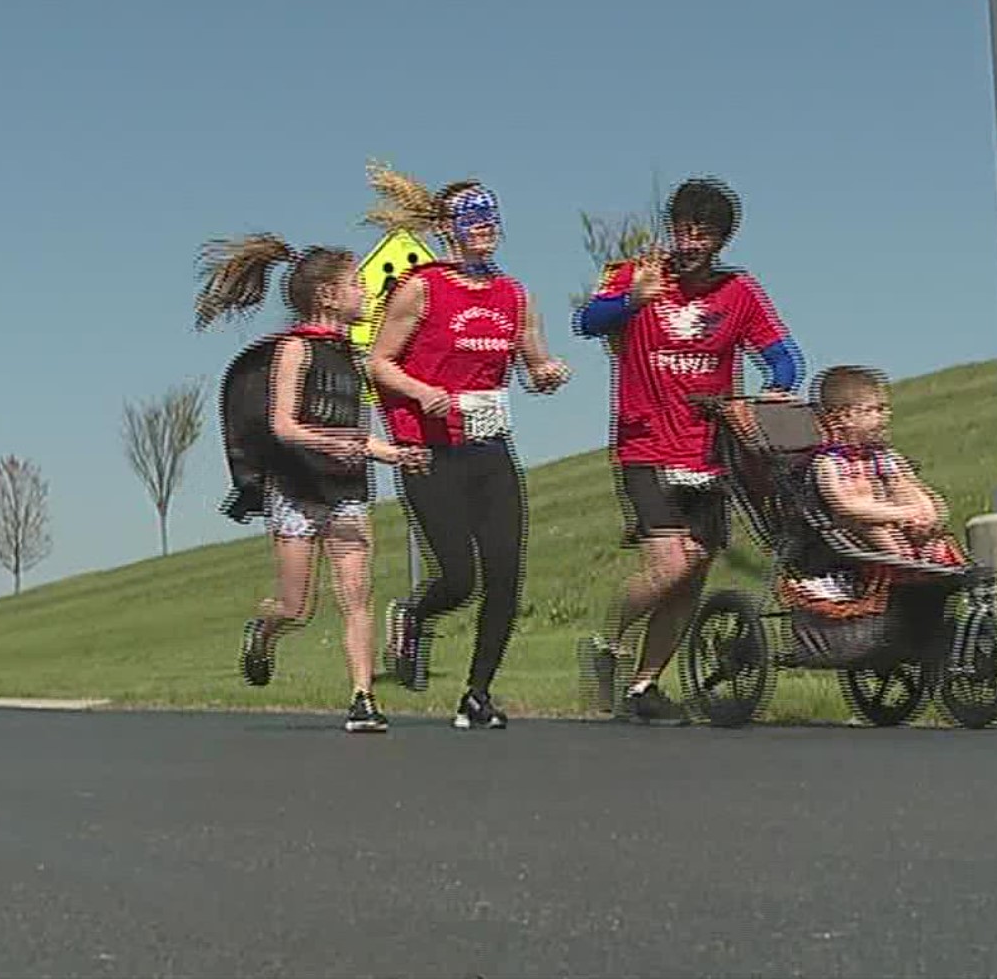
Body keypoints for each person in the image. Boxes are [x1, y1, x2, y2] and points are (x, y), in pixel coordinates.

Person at [573, 177, 804, 721]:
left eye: (704, 233)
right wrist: (631, 302)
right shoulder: (637, 272)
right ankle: (608, 641)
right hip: (644, 444)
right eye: (683, 228)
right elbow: (585, 321)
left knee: (693, 573)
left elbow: (785, 354)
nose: (691, 241)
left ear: (722, 240)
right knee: (669, 565)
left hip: (707, 451)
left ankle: (643, 686)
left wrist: (775, 387)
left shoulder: (740, 291)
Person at [363, 162, 571, 730]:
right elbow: (378, 362)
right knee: (459, 576)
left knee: (505, 572)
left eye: (490, 215)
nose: (484, 225)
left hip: (489, 447)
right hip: (428, 450)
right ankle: (412, 614)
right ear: (446, 227)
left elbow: (533, 363)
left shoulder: (514, 295)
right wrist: (422, 390)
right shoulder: (422, 287)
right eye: (471, 216)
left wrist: (549, 372)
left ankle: (477, 694)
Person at [198, 232, 431, 734]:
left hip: (346, 490)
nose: (366, 293)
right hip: (297, 490)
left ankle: (363, 698)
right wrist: (331, 446)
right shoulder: (295, 350)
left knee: (357, 596)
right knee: (297, 606)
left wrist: (395, 454)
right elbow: (283, 425)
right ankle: (264, 630)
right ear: (327, 295)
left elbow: (359, 434)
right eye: (356, 285)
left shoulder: (353, 355)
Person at [810, 364, 966, 570]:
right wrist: (901, 514)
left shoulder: (882, 456)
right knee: (876, 528)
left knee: (927, 522)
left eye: (884, 409)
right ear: (844, 417)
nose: (883, 417)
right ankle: (906, 566)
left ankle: (934, 559)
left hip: (896, 516)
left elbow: (904, 485)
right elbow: (847, 506)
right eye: (873, 410)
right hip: (859, 527)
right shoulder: (830, 463)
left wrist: (924, 512)